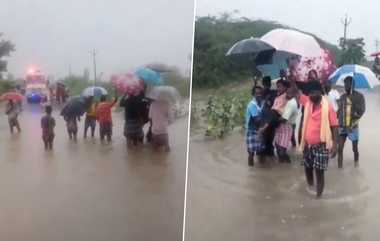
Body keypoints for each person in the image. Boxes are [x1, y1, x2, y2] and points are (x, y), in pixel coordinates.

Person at [292, 80, 338, 198]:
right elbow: (296, 92)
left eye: (314, 92)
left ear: (320, 92)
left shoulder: (328, 106)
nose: (311, 95)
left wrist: (335, 145)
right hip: (307, 144)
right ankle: (310, 188)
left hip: (321, 145)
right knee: (307, 167)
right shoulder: (308, 102)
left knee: (319, 172)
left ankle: (318, 197)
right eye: (310, 93)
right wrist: (291, 78)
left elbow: (334, 126)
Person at [337, 76, 365, 168]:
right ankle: (339, 169)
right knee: (339, 148)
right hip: (342, 126)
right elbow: (339, 111)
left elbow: (361, 111)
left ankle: (356, 164)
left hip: (353, 126)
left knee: (354, 148)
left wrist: (354, 105)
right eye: (344, 84)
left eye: (347, 84)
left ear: (352, 85)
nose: (345, 86)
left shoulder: (359, 96)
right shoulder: (342, 97)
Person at [274, 87, 299, 163]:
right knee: (278, 146)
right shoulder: (289, 101)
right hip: (282, 126)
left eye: (290, 93)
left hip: (286, 127)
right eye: (287, 93)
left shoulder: (291, 103)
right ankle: (283, 166)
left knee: (281, 150)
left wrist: (273, 120)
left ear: (294, 94)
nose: (288, 95)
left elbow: (284, 119)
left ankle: (288, 164)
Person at [246, 85, 265, 166]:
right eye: (257, 93)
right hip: (252, 131)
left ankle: (260, 169)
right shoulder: (252, 105)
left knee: (260, 151)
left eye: (260, 93)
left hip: (258, 130)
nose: (259, 95)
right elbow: (257, 120)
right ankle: (251, 168)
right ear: (253, 94)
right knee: (251, 153)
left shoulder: (260, 103)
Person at [260, 76, 277, 157]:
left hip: (266, 120)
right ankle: (270, 155)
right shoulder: (273, 92)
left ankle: (267, 157)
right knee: (269, 140)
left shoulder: (261, 93)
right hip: (270, 120)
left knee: (266, 140)